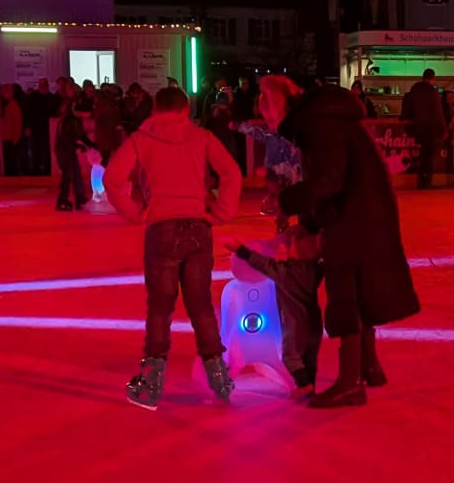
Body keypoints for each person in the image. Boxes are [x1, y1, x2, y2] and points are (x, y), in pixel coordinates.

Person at [269, 76, 419, 407]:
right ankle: (368, 366)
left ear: (277, 105)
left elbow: (328, 181)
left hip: (353, 219)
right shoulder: (324, 121)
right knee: (361, 291)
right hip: (363, 213)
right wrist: (308, 223)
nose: (263, 116)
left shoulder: (319, 125)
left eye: (264, 107)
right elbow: (333, 179)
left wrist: (287, 202)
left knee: (345, 295)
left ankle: (351, 382)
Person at [104, 86, 243, 409]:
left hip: (161, 228)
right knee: (201, 305)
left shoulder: (141, 140)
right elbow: (232, 173)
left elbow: (112, 178)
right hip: (198, 227)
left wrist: (134, 213)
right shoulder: (201, 137)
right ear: (184, 110)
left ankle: (151, 382)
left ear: (155, 110)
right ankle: (220, 380)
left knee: (160, 307)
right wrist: (220, 212)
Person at [232, 220, 324, 396]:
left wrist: (241, 250)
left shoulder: (284, 272)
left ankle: (304, 384)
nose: (287, 248)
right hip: (315, 323)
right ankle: (310, 385)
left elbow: (262, 264)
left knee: (290, 357)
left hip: (296, 324)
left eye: (291, 245)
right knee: (310, 357)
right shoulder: (316, 268)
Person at [402, 69, 447, 189]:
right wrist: (443, 129)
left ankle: (421, 180)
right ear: (433, 79)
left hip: (419, 127)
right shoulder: (432, 92)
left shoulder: (415, 89)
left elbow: (408, 107)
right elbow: (438, 112)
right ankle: (426, 181)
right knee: (429, 156)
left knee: (423, 155)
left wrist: (405, 117)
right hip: (432, 129)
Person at [54, 90, 89, 211]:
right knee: (67, 174)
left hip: (70, 150)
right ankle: (62, 199)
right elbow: (65, 138)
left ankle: (80, 197)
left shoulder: (76, 120)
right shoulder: (67, 120)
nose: (84, 117)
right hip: (63, 151)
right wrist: (77, 146)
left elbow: (81, 135)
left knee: (77, 173)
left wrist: (90, 144)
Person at [0, 83, 25, 176]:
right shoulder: (0, 104)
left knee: (11, 160)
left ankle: (12, 175)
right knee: (6, 160)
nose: (4, 93)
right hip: (2, 136)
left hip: (9, 137)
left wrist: (16, 137)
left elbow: (18, 122)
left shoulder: (13, 104)